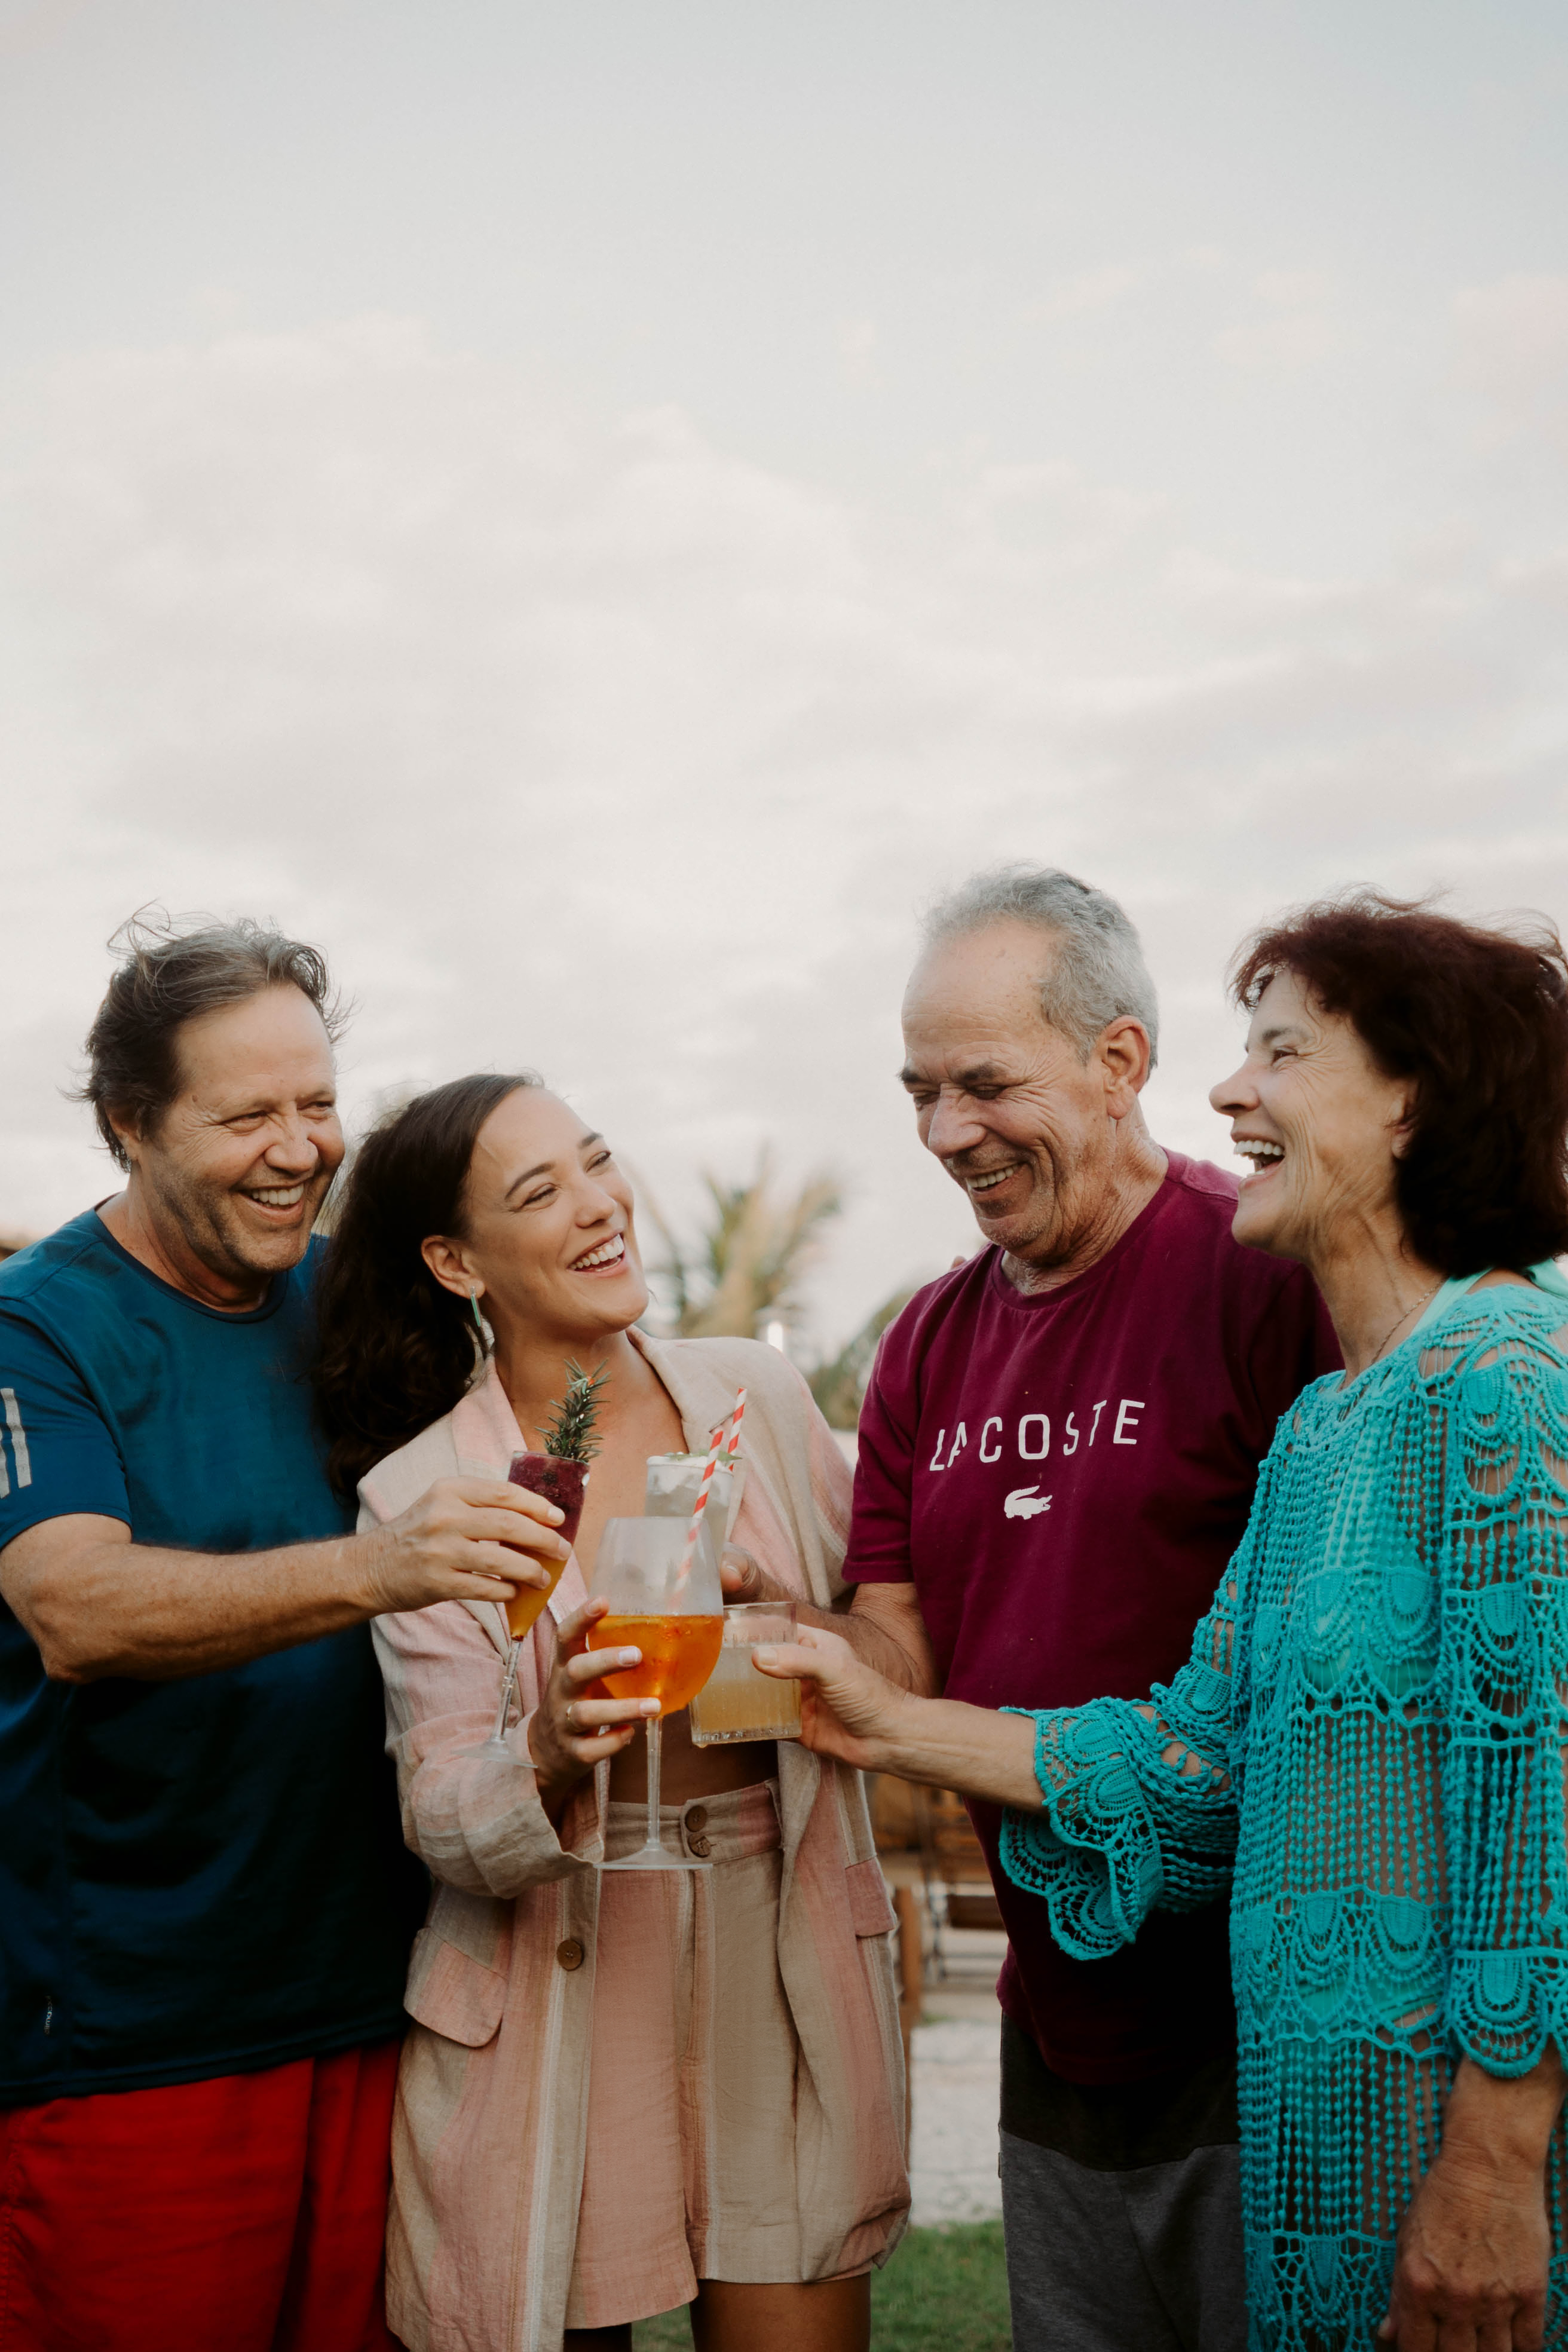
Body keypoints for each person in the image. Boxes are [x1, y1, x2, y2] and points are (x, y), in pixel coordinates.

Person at [760, 891, 1568, 2352]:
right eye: (922, 1092)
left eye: (1281, 1053)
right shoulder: (1329, 1423)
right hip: (1298, 2120)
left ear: (1411, 1104)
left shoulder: (1506, 1376)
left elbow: (1544, 1818)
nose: (1230, 1086)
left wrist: (1497, 2168)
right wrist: (874, 1710)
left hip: (1438, 2148)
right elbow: (1196, 1760)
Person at [0, 918, 570, 2352]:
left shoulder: (350, 1303)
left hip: (384, 1997)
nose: (297, 1149)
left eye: (317, 1105)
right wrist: (383, 1568)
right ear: (130, 1125)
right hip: (133, 2031)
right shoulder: (34, 1329)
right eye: (245, 1115)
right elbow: (74, 1605)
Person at [822, 866, 1339, 2352]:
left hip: (1265, 2018)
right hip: (1056, 2018)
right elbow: (896, 1637)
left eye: (985, 1084)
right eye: (919, 1091)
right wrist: (793, 1640)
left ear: (1121, 1060)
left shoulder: (1260, 1273)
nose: (943, 1134)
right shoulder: (926, 1337)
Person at [311, 1072, 909, 2352]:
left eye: (595, 1162)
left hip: (775, 1943)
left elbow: (894, 1657)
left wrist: (800, 1633)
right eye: (541, 1191)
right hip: (558, 1971)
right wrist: (546, 1748)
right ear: (454, 1260)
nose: (599, 1206)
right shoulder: (428, 1490)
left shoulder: (754, 1400)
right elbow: (443, 1818)